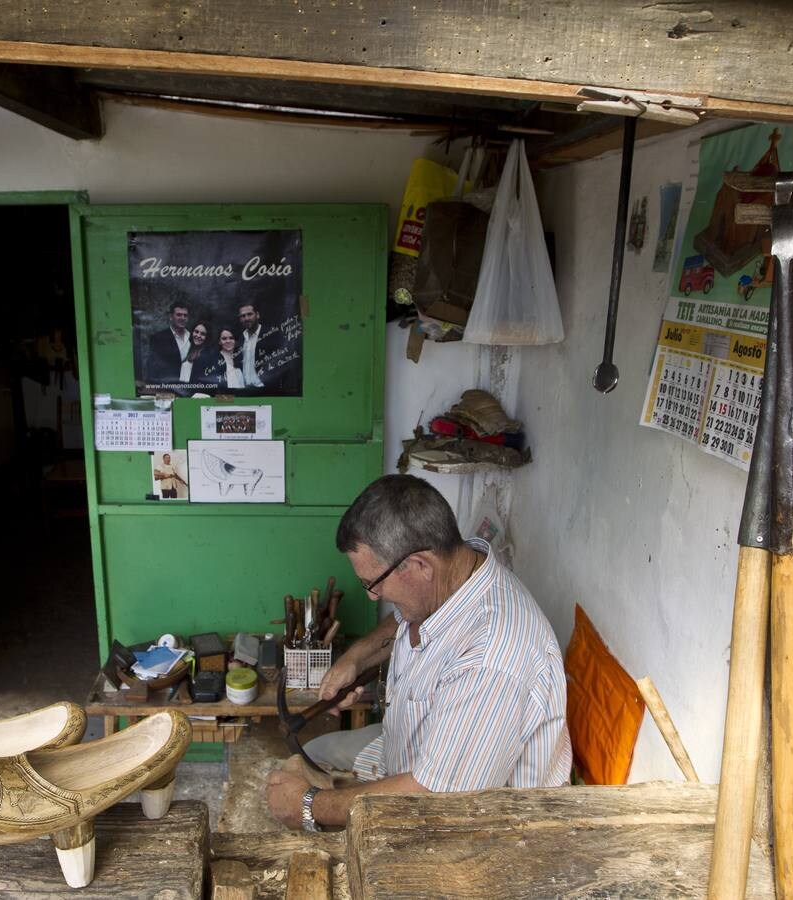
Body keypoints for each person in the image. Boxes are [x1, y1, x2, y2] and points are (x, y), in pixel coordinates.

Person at [265, 474, 571, 831]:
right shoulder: (456, 570)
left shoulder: (490, 659)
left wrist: (308, 806)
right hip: (404, 752)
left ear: (421, 566)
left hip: (477, 824)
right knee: (305, 761)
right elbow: (404, 618)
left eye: (373, 584)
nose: (371, 596)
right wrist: (356, 658)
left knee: (300, 816)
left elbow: (439, 800)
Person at [236, 303, 282, 389]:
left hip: (265, 389)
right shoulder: (240, 338)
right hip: (245, 389)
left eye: (249, 314)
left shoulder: (271, 334)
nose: (246, 318)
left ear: (257, 315)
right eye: (243, 316)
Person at [146, 302, 192, 382]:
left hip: (192, 386)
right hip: (170, 387)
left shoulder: (194, 337)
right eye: (179, 315)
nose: (182, 318)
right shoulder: (158, 338)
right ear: (171, 317)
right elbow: (152, 368)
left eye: (185, 315)